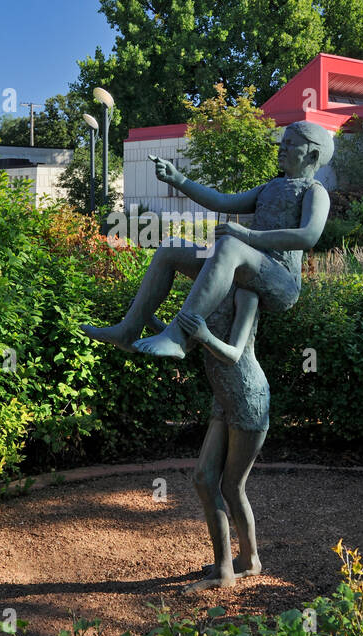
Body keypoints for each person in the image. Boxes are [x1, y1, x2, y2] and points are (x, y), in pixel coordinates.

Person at [81, 120, 333, 357]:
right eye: (283, 141)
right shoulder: (270, 187)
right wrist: (178, 179)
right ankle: (128, 330)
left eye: (291, 143)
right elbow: (222, 201)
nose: (282, 147)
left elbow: (308, 236)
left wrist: (246, 235)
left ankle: (178, 336)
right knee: (172, 247)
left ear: (313, 155)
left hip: (281, 281)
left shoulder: (315, 191)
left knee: (230, 244)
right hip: (243, 266)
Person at [178, 286, 268, 593]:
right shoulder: (213, 291)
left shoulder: (246, 293)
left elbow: (233, 354)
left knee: (231, 485)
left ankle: (234, 565)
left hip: (247, 397)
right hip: (224, 399)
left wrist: (203, 333)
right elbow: (187, 345)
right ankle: (239, 562)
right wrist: (148, 321)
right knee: (205, 479)